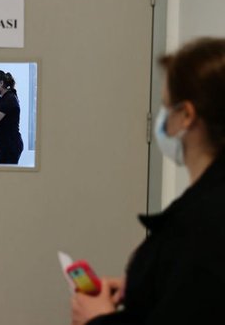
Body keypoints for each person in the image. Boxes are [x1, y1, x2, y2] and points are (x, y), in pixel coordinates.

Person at [71, 37, 225, 325]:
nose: (161, 119)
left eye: (167, 106)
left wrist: (98, 319)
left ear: (186, 116)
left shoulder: (204, 222)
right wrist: (146, 287)